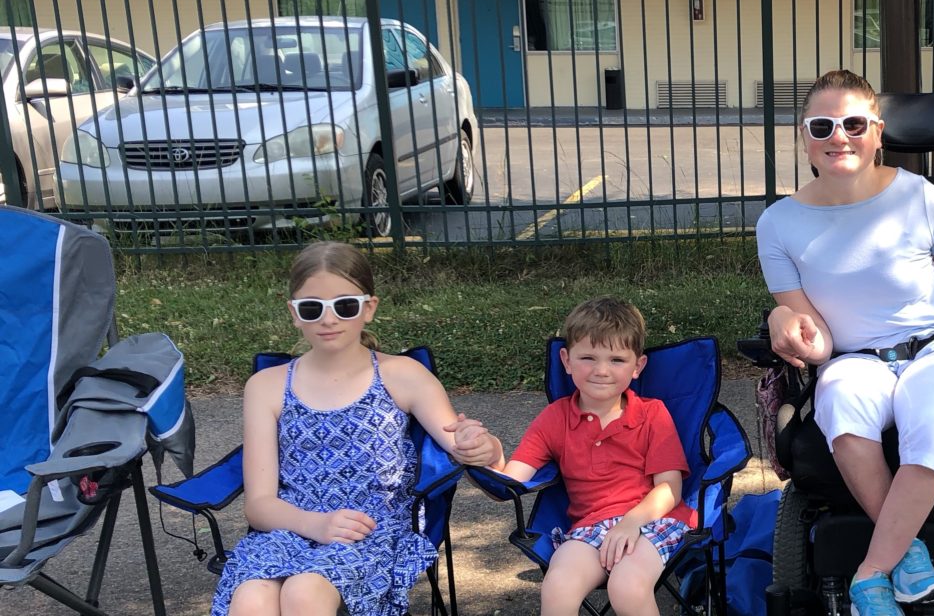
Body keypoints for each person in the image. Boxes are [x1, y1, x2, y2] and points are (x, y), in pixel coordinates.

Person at [756, 69, 934, 616]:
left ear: (877, 132)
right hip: (857, 359)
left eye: (854, 123)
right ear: (803, 136)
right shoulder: (778, 224)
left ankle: (871, 574)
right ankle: (911, 554)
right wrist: (784, 320)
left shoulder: (924, 197)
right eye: (823, 124)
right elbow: (820, 340)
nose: (839, 136)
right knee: (841, 402)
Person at [211, 240, 502, 616]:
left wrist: (484, 446)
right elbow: (259, 506)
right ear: (294, 314)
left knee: (303, 593)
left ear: (369, 309)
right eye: (312, 308)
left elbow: (464, 444)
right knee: (251, 599)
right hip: (290, 528)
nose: (328, 320)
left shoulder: (403, 375)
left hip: (371, 532)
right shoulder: (266, 387)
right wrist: (315, 524)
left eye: (344, 306)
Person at [486, 297, 696, 616]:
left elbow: (670, 487)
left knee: (627, 586)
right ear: (566, 361)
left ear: (637, 366)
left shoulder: (652, 414)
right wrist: (490, 455)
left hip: (650, 520)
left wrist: (630, 523)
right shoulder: (554, 418)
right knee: (558, 586)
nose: (601, 371)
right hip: (588, 528)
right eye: (587, 357)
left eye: (616, 360)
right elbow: (510, 482)